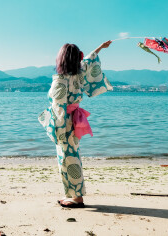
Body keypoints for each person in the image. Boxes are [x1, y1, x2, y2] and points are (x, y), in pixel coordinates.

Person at [38, 41, 112, 208]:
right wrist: (100, 47)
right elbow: (89, 60)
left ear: (61, 60)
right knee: (71, 157)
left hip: (64, 122)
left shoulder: (61, 80)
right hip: (74, 119)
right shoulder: (80, 74)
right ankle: (71, 194)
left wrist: (55, 128)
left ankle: (76, 197)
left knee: (67, 158)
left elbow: (57, 106)